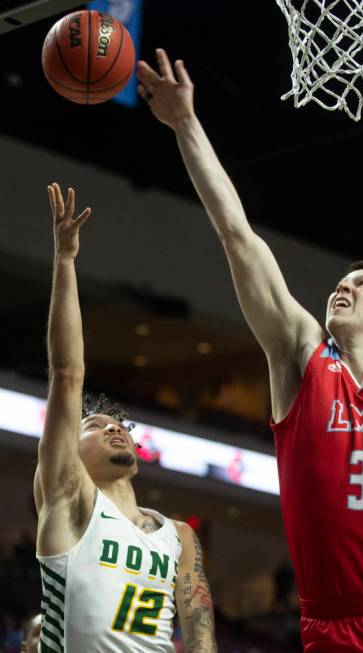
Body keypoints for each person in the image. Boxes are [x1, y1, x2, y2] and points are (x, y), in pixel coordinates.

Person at [136, 50, 363, 652]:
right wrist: (186, 125)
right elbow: (237, 234)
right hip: (335, 622)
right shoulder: (301, 357)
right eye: (342, 278)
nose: (344, 285)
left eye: (362, 284)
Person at [34, 183, 217, 653]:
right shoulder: (70, 500)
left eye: (118, 426)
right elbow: (66, 373)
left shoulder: (178, 535)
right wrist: (66, 261)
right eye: (93, 427)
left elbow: (198, 631)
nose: (113, 428)